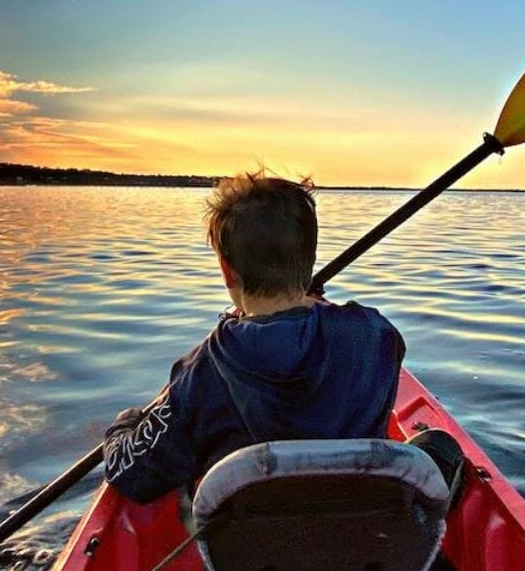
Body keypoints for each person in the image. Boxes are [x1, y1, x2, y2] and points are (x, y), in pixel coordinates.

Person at [102, 171, 408, 505]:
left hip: (251, 536)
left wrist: (123, 426)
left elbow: (132, 475)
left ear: (226, 270)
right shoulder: (376, 335)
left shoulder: (202, 372)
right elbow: (336, 340)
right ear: (310, 258)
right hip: (359, 530)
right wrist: (312, 309)